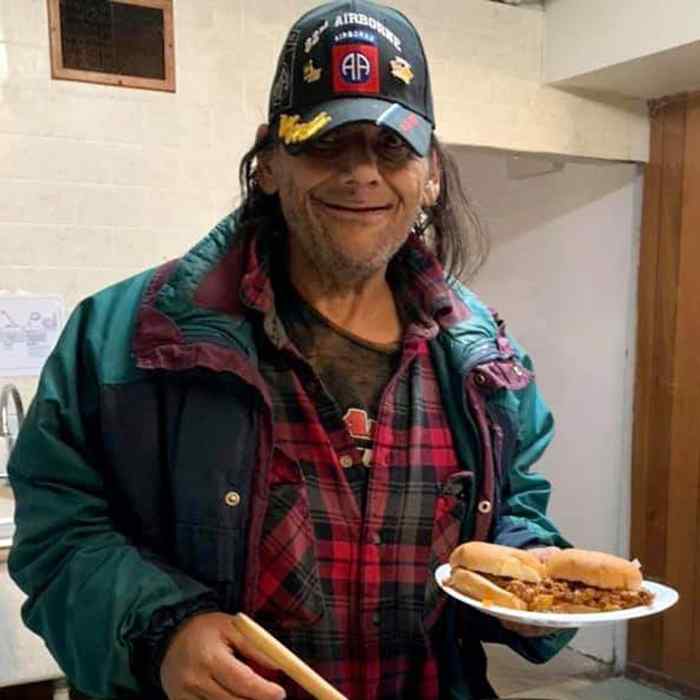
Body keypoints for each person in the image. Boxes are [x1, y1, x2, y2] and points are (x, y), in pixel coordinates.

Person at [8, 1, 576, 698]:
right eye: (325, 142)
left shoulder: (485, 364)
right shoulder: (126, 340)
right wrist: (160, 629)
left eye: (391, 145)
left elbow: (514, 507)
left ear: (430, 173)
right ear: (270, 164)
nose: (362, 172)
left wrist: (531, 574)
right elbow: (57, 533)